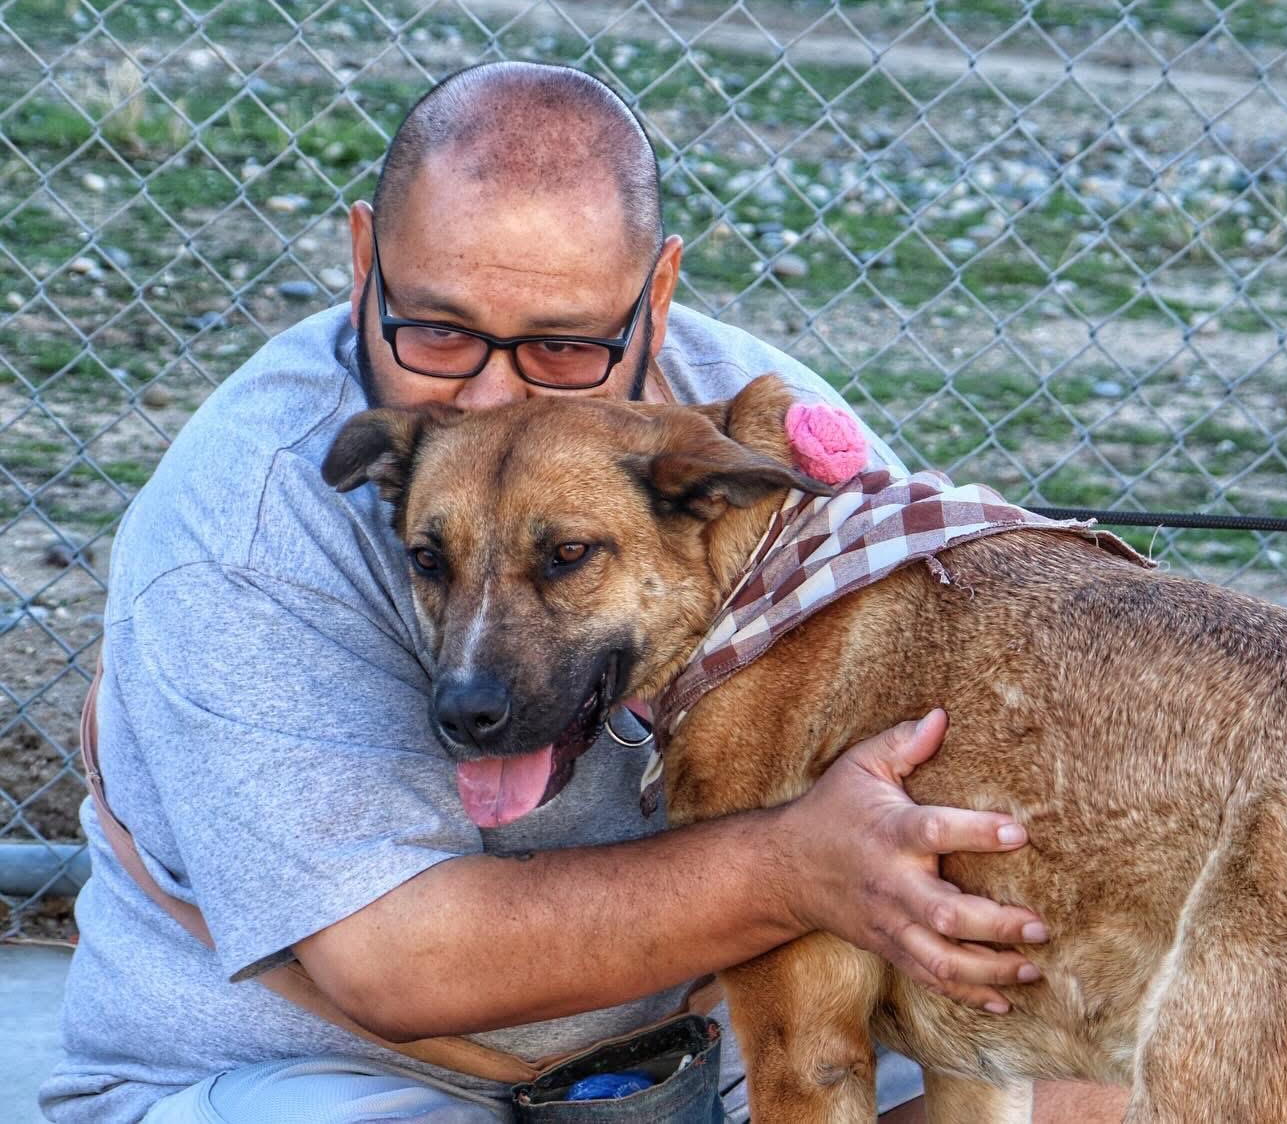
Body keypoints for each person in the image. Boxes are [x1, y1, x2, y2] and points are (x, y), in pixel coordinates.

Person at [41, 61, 1123, 1123]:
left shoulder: (747, 424)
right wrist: (797, 868)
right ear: (365, 258)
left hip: (722, 1059)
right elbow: (395, 963)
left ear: (655, 294)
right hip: (338, 1079)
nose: (493, 398)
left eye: (562, 347)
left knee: (1137, 1081)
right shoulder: (247, 523)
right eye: (441, 331)